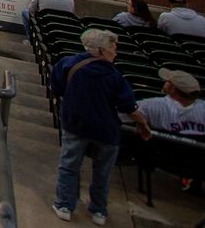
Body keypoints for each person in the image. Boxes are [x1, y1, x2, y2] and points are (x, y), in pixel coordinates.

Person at [51, 27, 150, 223]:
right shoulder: (114, 76)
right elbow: (128, 106)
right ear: (102, 51)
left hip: (75, 124)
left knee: (69, 166)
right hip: (106, 130)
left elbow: (57, 87)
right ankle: (98, 210)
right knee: (102, 172)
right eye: (113, 49)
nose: (115, 53)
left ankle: (64, 204)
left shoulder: (68, 64)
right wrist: (142, 123)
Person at [137, 68, 205, 137]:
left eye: (168, 81)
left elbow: (131, 115)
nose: (165, 81)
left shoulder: (150, 105)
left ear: (173, 88)